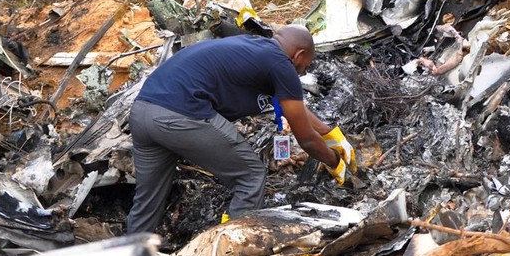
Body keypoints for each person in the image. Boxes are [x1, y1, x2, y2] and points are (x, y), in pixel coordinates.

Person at [125, 24, 356, 234]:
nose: (302, 73)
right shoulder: (281, 63)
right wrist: (335, 162)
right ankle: (233, 248)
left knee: (147, 202)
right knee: (250, 176)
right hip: (182, 116)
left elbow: (293, 109)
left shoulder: (253, 49)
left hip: (142, 113)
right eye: (305, 66)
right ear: (299, 55)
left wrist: (330, 134)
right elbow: (306, 140)